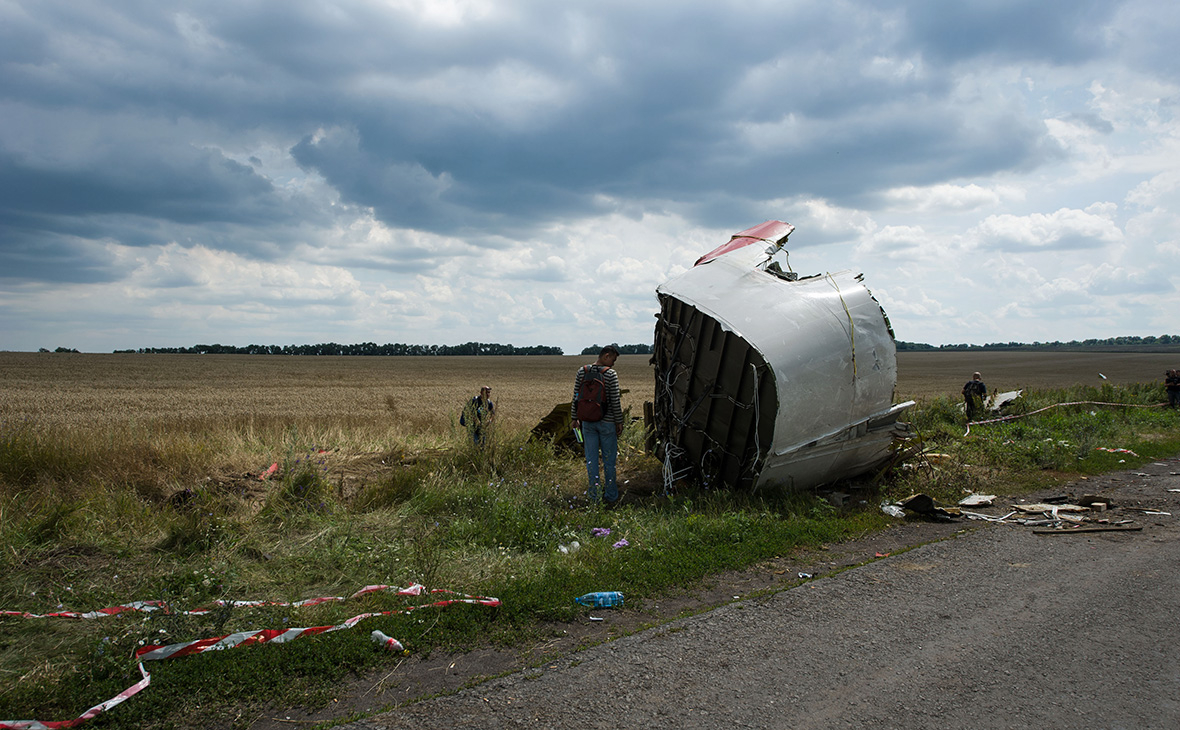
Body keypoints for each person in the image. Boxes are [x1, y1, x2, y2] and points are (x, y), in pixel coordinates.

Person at [571, 345, 624, 507]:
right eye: (613, 360)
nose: (613, 364)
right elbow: (615, 400)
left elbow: (575, 396)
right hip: (607, 424)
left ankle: (594, 496)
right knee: (609, 461)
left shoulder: (582, 371)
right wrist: (619, 421)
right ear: (606, 356)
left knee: (591, 461)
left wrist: (575, 418)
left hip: (587, 422)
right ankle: (611, 495)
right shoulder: (610, 374)